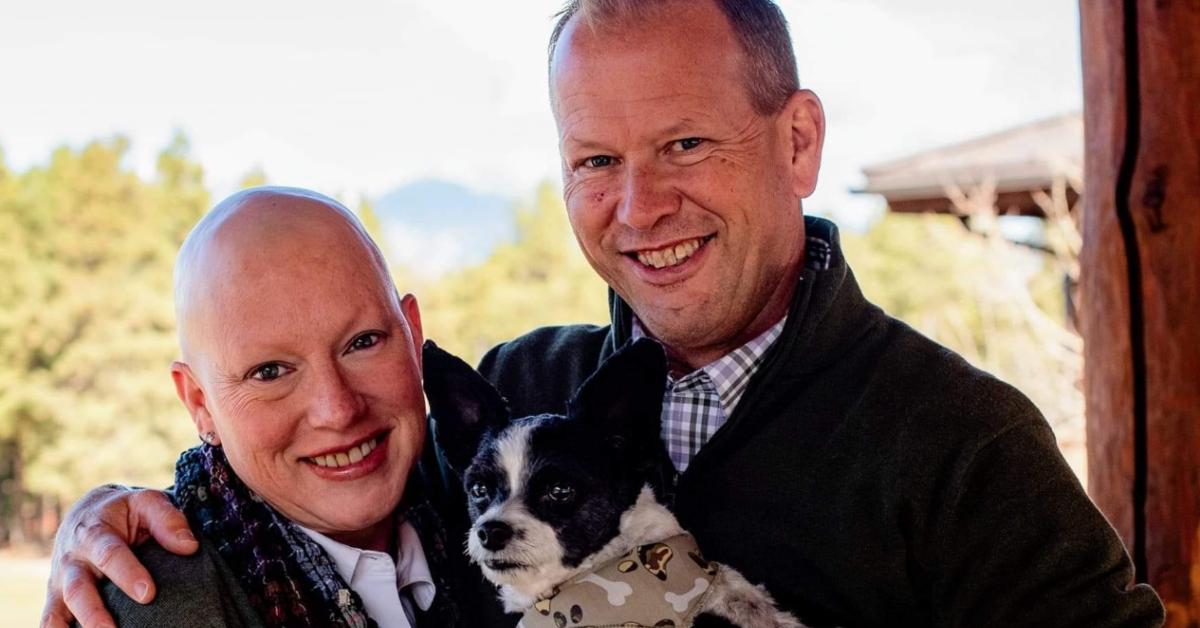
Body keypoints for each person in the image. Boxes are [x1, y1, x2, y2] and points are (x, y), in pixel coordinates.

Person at [42, 1, 1166, 627]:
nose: (640, 207)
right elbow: (317, 469)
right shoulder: (517, 391)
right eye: (594, 159)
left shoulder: (962, 444)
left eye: (684, 143)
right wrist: (117, 520)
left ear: (799, 141)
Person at [68, 187, 492, 627]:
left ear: (413, 333)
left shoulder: (489, 493)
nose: (338, 409)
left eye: (362, 342)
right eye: (269, 372)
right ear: (200, 403)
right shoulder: (153, 609)